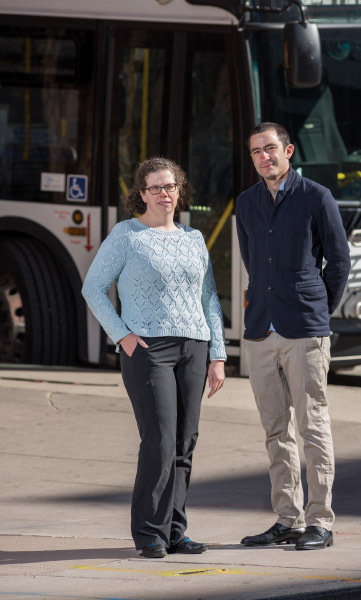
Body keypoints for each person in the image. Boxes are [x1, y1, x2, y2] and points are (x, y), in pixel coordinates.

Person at [82, 157, 226, 559]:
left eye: (171, 186)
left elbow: (208, 297)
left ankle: (175, 531)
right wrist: (122, 336)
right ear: (141, 194)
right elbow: (92, 288)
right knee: (160, 442)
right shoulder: (126, 235)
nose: (165, 194)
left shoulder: (194, 238)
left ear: (181, 191)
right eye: (156, 188)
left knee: (184, 442)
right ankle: (149, 533)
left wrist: (218, 353)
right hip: (148, 350)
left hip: (194, 346)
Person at [235, 123, 350, 551]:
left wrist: (317, 307)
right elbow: (252, 262)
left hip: (305, 329)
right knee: (275, 429)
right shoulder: (245, 203)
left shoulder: (315, 196)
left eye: (270, 149)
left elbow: (338, 262)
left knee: (312, 425)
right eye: (256, 152)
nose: (264, 157)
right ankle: (288, 518)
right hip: (261, 329)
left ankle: (321, 521)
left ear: (288, 150)